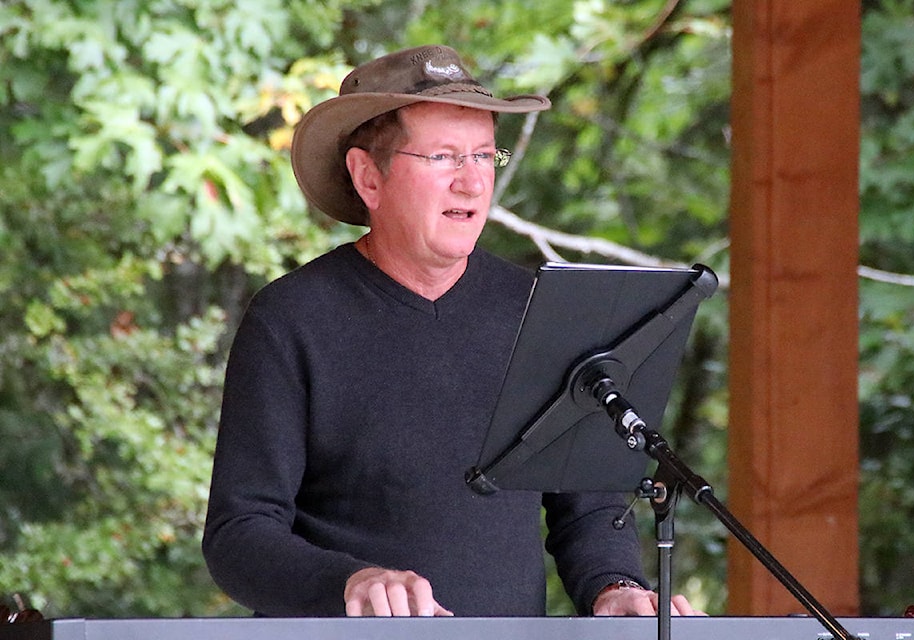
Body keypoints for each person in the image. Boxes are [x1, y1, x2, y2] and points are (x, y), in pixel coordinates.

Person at [202, 44, 701, 618]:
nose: (471, 183)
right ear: (368, 176)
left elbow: (588, 509)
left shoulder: (541, 312)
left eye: (485, 156)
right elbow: (239, 535)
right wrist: (352, 582)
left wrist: (615, 588)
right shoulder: (290, 319)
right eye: (442, 157)